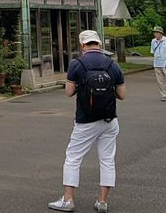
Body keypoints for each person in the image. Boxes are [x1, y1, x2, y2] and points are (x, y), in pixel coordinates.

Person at [49, 30, 126, 213]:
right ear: (99, 44)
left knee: (73, 158)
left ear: (83, 45)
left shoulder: (77, 64)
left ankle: (68, 200)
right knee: (107, 160)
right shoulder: (112, 65)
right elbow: (122, 94)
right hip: (109, 120)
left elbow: (69, 92)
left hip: (86, 120)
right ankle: (102, 202)